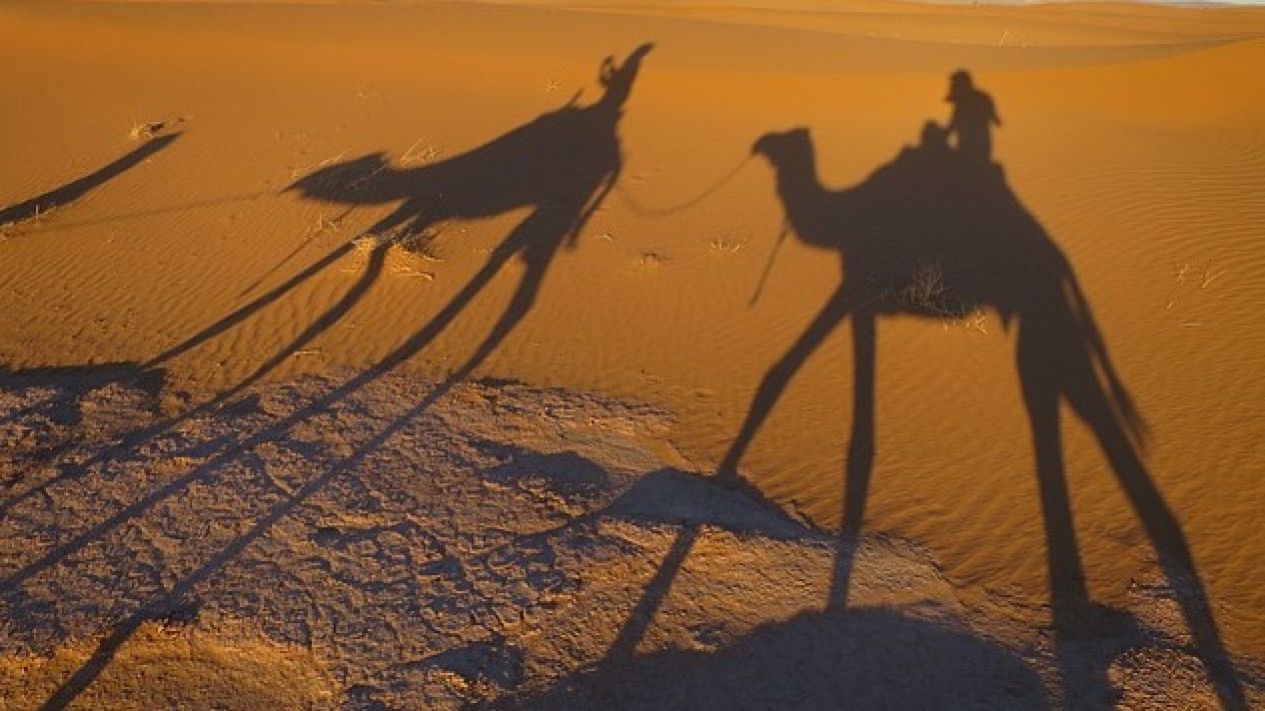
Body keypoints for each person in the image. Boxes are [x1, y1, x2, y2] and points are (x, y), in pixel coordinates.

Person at [945, 70, 1001, 163]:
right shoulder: (983, 98)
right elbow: (996, 120)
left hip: (969, 152)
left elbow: (951, 127)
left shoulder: (962, 104)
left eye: (954, 84)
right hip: (983, 150)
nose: (952, 86)